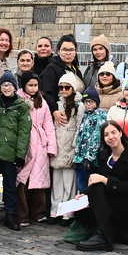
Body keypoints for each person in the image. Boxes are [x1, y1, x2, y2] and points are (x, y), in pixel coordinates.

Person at [74, 121, 128, 251]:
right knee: (81, 211)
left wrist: (106, 180)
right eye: (106, 135)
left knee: (99, 187)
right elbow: (99, 183)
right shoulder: (104, 155)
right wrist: (85, 194)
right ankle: (115, 231)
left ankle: (103, 235)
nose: (110, 137)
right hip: (113, 196)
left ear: (120, 133)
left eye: (113, 132)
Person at [0, 72, 31, 230]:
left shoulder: (21, 106)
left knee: (10, 185)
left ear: (15, 88)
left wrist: (20, 154)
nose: (6, 88)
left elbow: (24, 132)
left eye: (9, 85)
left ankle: (10, 213)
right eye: (3, 85)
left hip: (10, 152)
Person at [16, 71, 56, 226]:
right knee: (22, 179)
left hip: (40, 144)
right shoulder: (19, 99)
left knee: (39, 180)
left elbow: (48, 124)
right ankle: (21, 213)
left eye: (35, 85)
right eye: (30, 85)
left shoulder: (42, 102)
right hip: (24, 142)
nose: (33, 88)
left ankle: (39, 212)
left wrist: (51, 146)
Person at [49, 74, 80, 223]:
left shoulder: (79, 105)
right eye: (61, 87)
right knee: (57, 183)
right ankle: (55, 211)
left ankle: (68, 213)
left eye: (67, 87)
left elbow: (79, 126)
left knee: (69, 183)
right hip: (57, 144)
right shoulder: (56, 104)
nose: (63, 90)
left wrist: (74, 147)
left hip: (70, 146)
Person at [73, 87, 108, 194]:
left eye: (91, 101)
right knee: (81, 187)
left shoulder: (99, 117)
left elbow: (96, 139)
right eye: (86, 102)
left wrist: (89, 158)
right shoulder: (85, 115)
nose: (88, 104)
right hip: (80, 158)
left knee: (90, 188)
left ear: (97, 102)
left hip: (90, 161)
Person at [39, 36, 82, 113]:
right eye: (65, 50)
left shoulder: (76, 70)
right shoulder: (51, 68)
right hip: (59, 112)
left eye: (71, 50)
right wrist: (54, 110)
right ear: (58, 51)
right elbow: (48, 93)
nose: (68, 53)